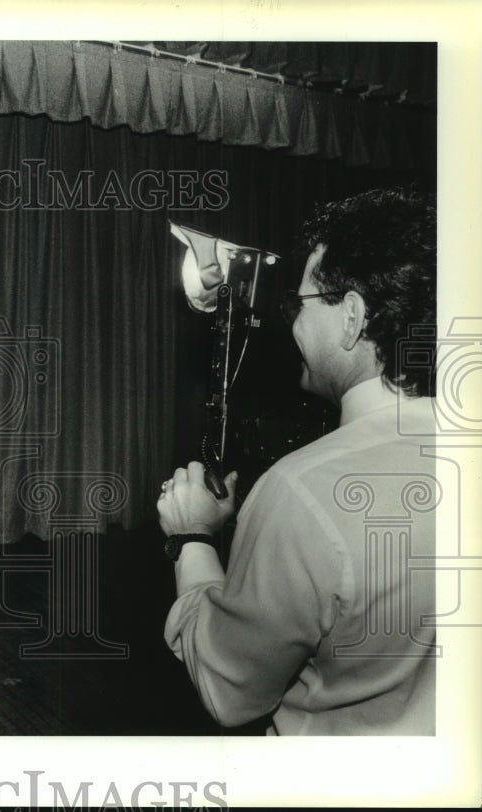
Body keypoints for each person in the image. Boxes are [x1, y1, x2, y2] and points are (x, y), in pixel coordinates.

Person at [157, 188, 437, 735]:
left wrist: (190, 538)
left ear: (353, 318)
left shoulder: (304, 491)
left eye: (299, 305)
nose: (292, 326)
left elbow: (229, 689)